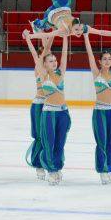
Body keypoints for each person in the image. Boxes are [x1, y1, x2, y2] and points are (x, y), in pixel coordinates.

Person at [84, 29, 111, 184]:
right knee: (101, 141)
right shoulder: (97, 74)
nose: (108, 61)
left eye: (110, 59)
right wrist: (86, 36)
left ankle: (109, 167)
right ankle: (102, 170)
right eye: (105, 59)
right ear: (100, 62)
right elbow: (89, 54)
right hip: (100, 112)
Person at [33, 31, 69, 185]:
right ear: (45, 64)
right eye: (50, 61)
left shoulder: (61, 73)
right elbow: (40, 58)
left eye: (55, 60)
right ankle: (51, 170)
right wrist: (32, 38)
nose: (54, 63)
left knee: (60, 143)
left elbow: (65, 54)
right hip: (48, 113)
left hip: (63, 112)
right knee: (49, 142)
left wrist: (65, 37)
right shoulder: (42, 74)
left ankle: (57, 166)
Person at [22, 31, 52, 180]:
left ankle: (47, 162)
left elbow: (48, 48)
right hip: (39, 105)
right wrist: (30, 38)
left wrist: (53, 32)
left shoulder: (54, 70)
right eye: (46, 55)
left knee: (48, 136)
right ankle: (38, 164)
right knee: (40, 136)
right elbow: (42, 50)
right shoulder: (39, 68)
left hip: (50, 106)